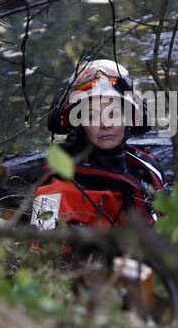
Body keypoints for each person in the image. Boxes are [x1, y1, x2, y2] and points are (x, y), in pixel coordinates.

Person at [31, 59, 166, 230]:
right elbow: (39, 252)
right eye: (93, 116)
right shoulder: (50, 195)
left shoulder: (147, 170)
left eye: (114, 114)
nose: (106, 124)